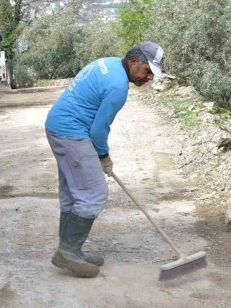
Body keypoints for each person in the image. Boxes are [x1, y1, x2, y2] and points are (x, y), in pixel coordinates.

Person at [44, 42, 166, 278]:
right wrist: (104, 157)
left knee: (74, 192)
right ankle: (67, 252)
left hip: (58, 126)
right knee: (93, 194)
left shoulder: (108, 64)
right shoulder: (118, 87)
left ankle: (71, 250)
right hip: (71, 132)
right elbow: (99, 131)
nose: (149, 78)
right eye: (147, 70)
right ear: (133, 61)